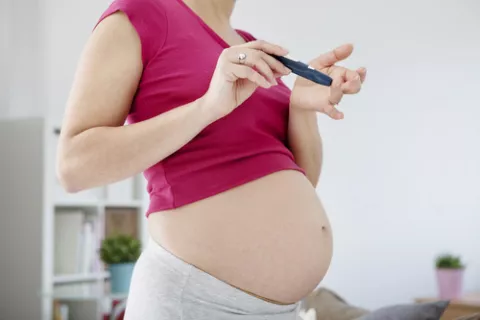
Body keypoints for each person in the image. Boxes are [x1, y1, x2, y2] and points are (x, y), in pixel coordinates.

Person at [56, 0, 366, 319]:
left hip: (282, 311)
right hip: (192, 303)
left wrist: (301, 107)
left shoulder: (247, 44)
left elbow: (303, 181)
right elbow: (74, 167)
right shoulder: (138, 15)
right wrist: (208, 107)